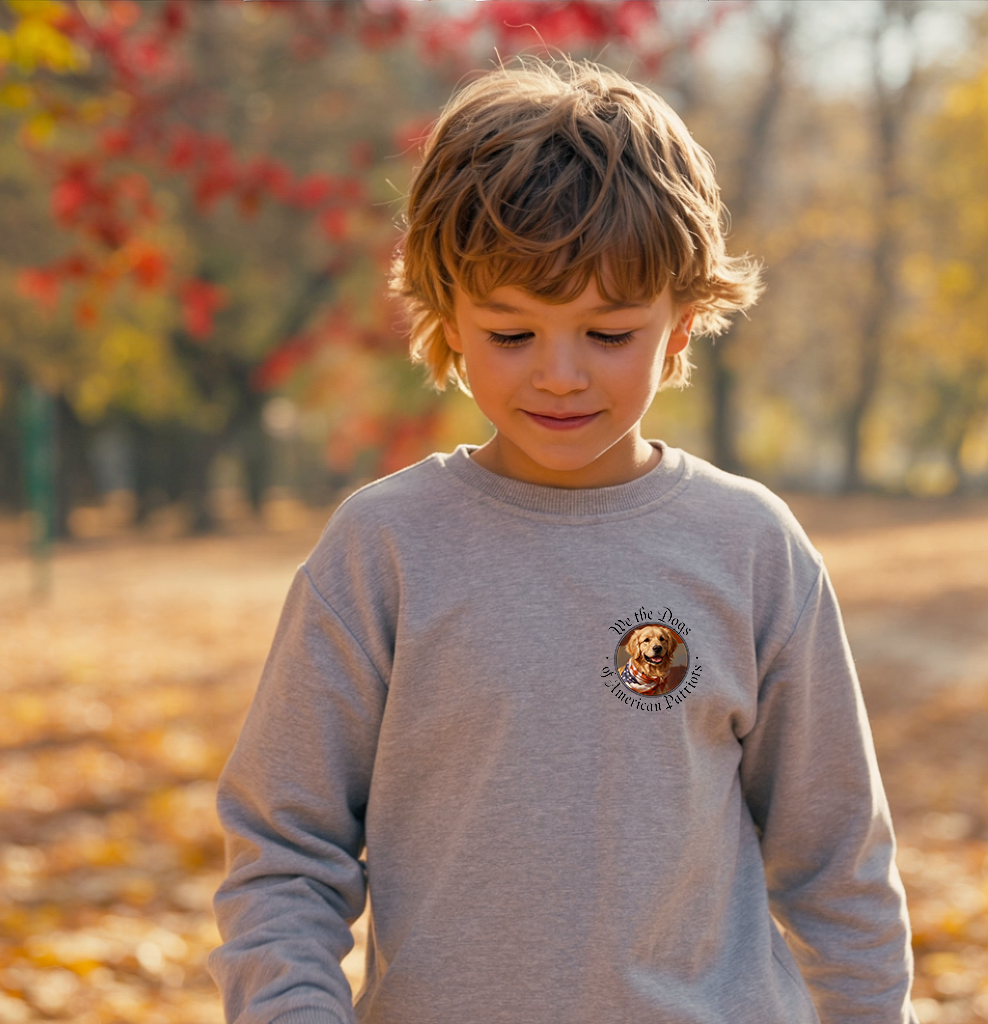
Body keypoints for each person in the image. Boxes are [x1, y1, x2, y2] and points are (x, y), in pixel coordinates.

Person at [209, 56, 917, 1024]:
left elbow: (836, 858)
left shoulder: (751, 545)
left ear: (681, 323)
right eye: (511, 334)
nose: (560, 375)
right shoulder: (382, 549)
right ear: (448, 324)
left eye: (609, 332)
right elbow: (284, 847)